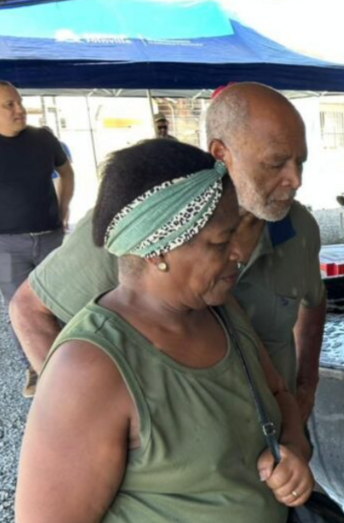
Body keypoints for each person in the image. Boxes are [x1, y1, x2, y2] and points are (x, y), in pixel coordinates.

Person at [15, 140, 312, 523]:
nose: (238, 252)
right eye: (221, 242)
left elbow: (277, 393)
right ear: (157, 250)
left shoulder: (219, 309)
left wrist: (293, 447)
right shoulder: (89, 369)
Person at [10, 83, 326, 422]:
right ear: (221, 154)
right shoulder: (145, 223)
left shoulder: (299, 229)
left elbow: (314, 301)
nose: (295, 179)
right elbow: (29, 309)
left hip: (275, 444)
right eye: (275, 163)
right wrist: (80, 419)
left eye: (300, 162)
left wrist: (305, 390)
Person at [0, 81, 74, 397]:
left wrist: (64, 206)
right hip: (5, 245)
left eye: (18, 101)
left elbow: (66, 172)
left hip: (50, 237)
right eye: (9, 105)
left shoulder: (43, 139)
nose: (19, 109)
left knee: (63, 299)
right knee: (19, 306)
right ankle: (35, 367)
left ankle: (75, 359)